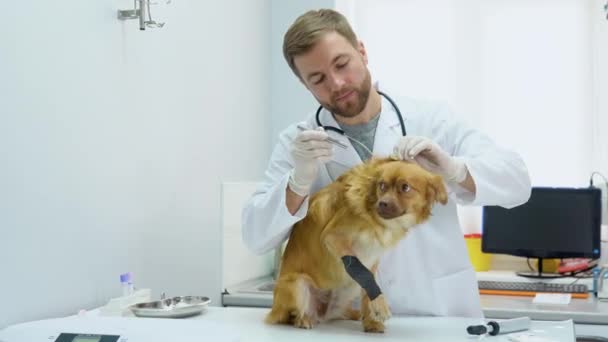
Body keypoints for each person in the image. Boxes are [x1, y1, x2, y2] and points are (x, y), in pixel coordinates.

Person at [241, 8, 531, 318]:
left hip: (437, 313)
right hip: (350, 322)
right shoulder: (297, 143)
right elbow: (256, 236)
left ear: (362, 52)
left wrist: (454, 169)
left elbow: (518, 182)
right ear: (305, 85)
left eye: (342, 64)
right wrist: (297, 183)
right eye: (318, 78)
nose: (337, 83)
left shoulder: (431, 120)